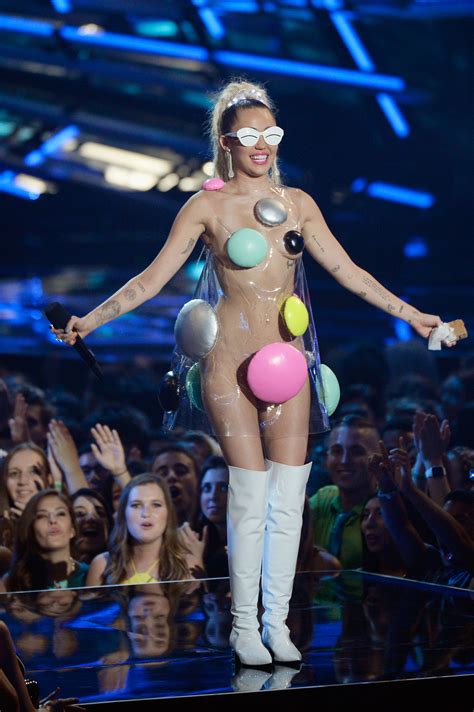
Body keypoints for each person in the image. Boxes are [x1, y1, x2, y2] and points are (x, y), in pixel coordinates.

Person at [50, 79, 457, 668]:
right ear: (226, 142)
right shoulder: (205, 207)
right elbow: (150, 279)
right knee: (249, 494)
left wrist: (412, 315)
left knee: (289, 496)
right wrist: (89, 320)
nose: (261, 145)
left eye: (271, 133)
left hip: (287, 363)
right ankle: (244, 627)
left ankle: (277, 623)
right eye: (248, 136)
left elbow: (350, 271)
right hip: (227, 364)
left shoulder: (299, 204)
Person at [85, 473, 204, 586]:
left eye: (156, 505)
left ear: (168, 513)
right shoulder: (102, 565)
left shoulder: (187, 565)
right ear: (124, 513)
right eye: (136, 505)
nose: (146, 513)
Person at [1, 490, 88, 592]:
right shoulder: (10, 582)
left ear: (72, 530)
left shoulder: (89, 575)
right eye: (41, 516)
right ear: (30, 530)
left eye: (60, 514)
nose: (52, 520)